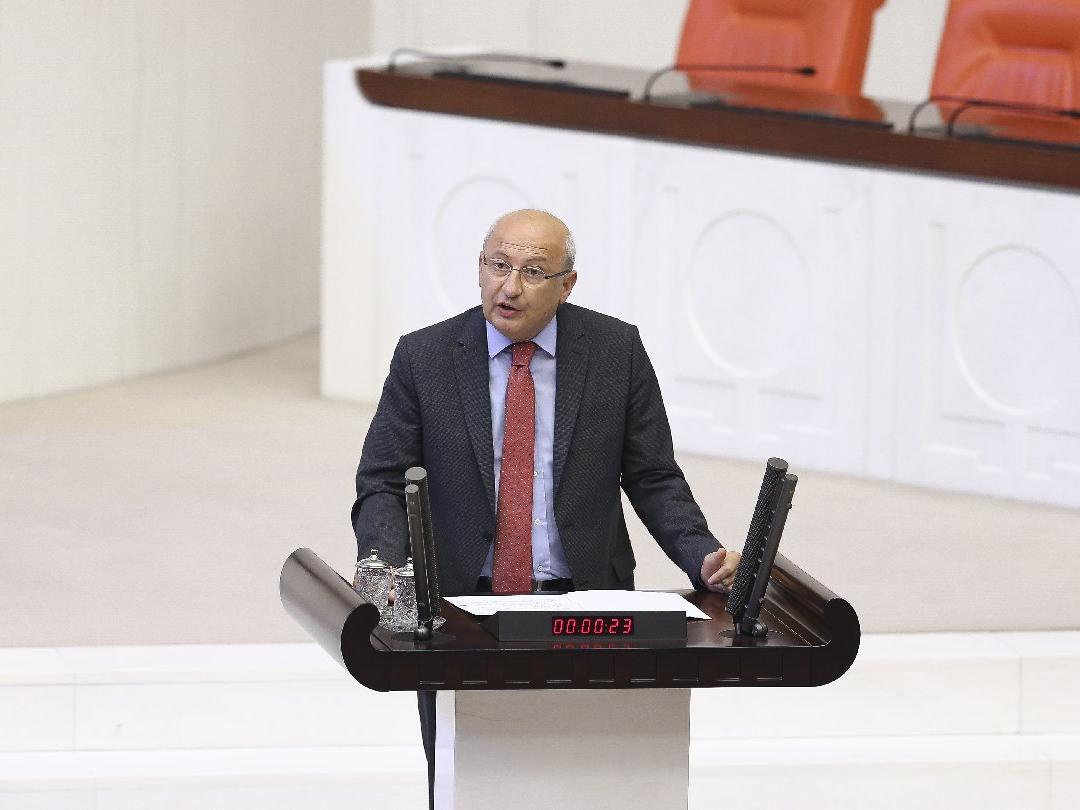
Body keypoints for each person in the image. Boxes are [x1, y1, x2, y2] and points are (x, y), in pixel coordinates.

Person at [351, 209, 740, 807]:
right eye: (498, 266)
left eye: (533, 272)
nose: (510, 287)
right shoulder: (424, 356)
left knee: (585, 775)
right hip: (461, 604)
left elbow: (653, 475)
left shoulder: (616, 350)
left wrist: (700, 553)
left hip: (586, 600)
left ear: (567, 284)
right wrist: (383, 568)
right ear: (479, 267)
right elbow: (382, 480)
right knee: (467, 779)